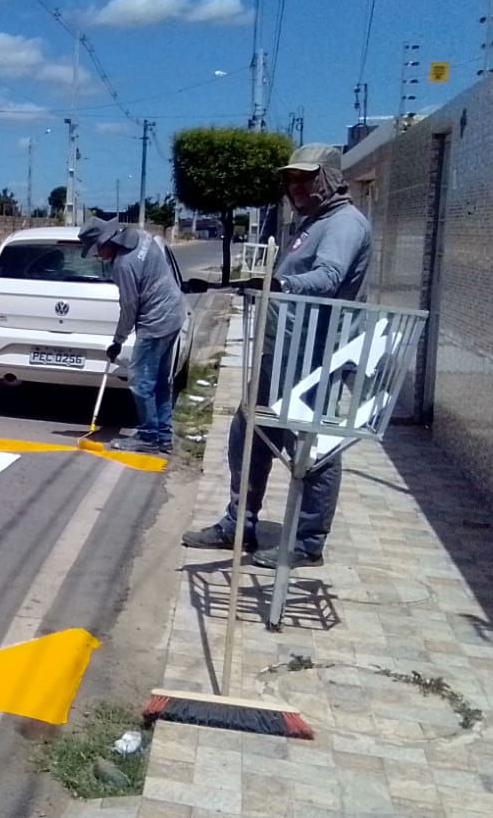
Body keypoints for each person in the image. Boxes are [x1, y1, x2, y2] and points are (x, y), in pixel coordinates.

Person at [180, 143, 372, 569]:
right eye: (290, 178)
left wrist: (280, 286)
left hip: (315, 357)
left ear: (331, 178)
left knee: (311, 449)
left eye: (306, 177)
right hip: (283, 353)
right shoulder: (312, 222)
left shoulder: (343, 224)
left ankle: (306, 542)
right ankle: (239, 523)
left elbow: (329, 275)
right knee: (248, 433)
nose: (296, 186)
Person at [77, 216, 186, 454]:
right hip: (174, 313)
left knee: (140, 382)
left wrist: (117, 341)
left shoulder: (124, 266)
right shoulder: (143, 238)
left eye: (96, 250)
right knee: (159, 382)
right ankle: (163, 436)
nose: (97, 256)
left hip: (155, 323)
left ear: (106, 241)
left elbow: (129, 308)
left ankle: (148, 437)